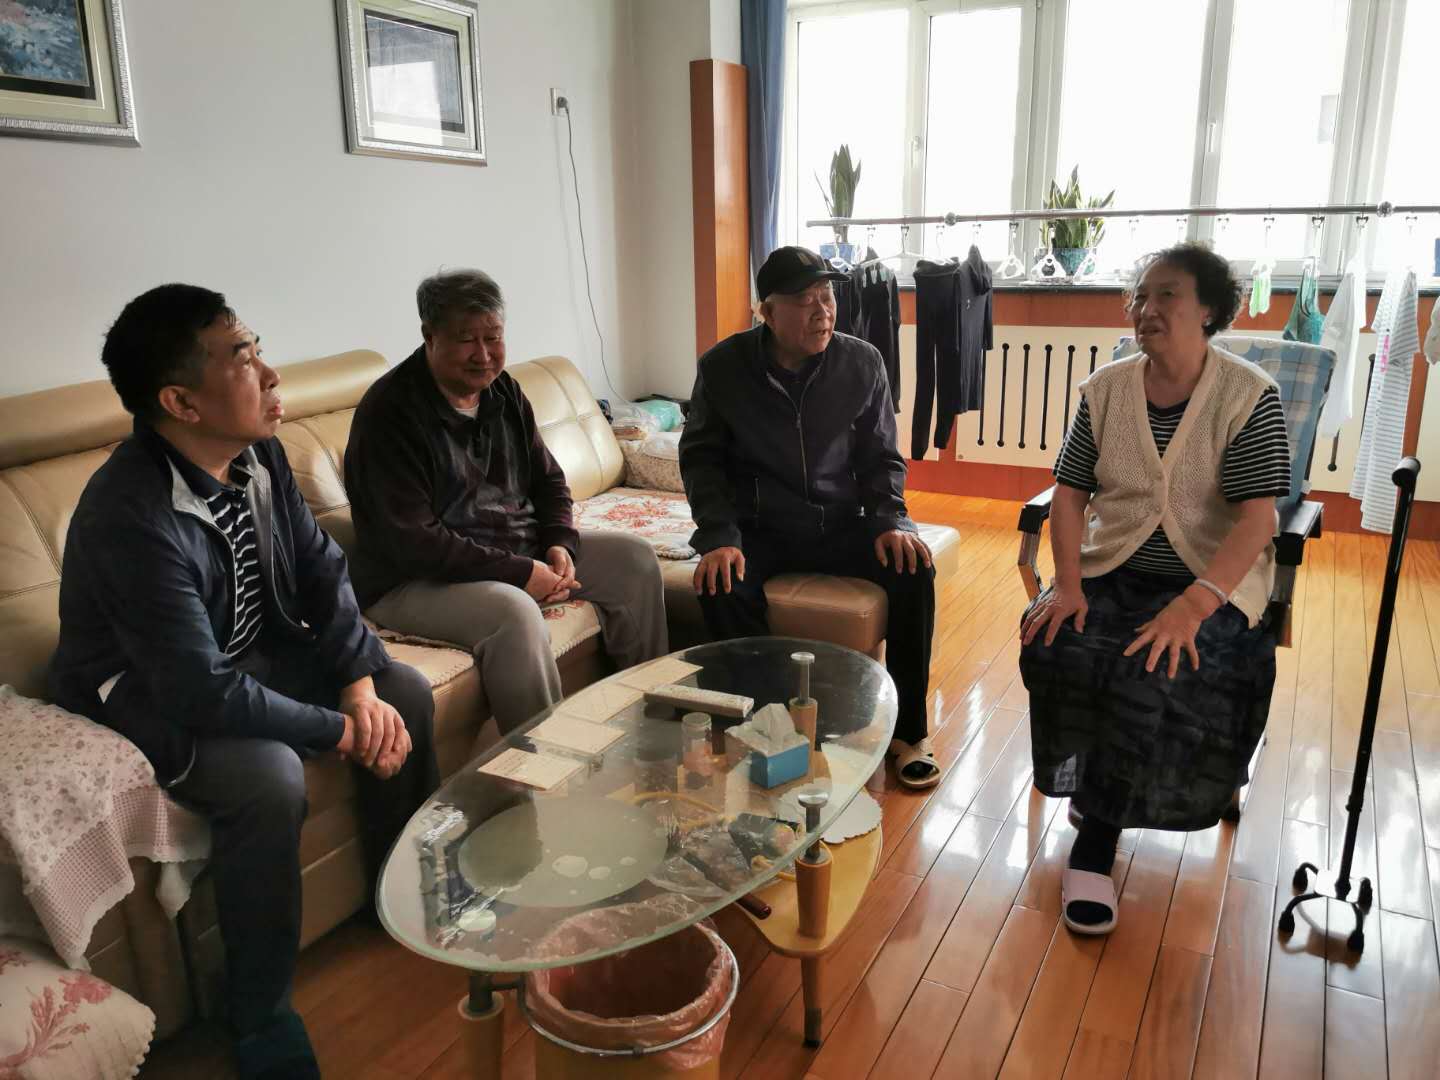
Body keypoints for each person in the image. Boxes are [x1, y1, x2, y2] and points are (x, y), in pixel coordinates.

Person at [50, 285, 438, 1080]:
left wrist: (359, 688)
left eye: (257, 348)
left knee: (403, 690)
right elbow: (198, 689)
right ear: (180, 402)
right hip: (146, 691)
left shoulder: (259, 455)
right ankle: (260, 1013)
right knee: (268, 776)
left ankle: (401, 895)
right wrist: (338, 729)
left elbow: (322, 572)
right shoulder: (130, 514)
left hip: (250, 653)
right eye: (242, 357)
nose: (269, 372)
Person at [1019, 243, 1291, 936]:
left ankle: (1096, 840)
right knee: (1056, 643)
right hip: (1113, 568)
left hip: (1211, 582)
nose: (1146, 308)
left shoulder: (1247, 395)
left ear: (1209, 310)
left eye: (1166, 294)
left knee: (1154, 666)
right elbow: (1069, 494)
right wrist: (1068, 585)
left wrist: (1193, 605)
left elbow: (1258, 519)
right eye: (1140, 296)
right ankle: (1097, 786)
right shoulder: (1106, 390)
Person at [344, 269, 667, 732]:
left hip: (510, 554)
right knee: (514, 614)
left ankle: (650, 724)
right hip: (413, 580)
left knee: (634, 560)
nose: (483, 354)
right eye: (466, 340)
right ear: (429, 336)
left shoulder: (504, 391)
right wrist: (519, 573)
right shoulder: (390, 413)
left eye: (493, 337)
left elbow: (549, 480)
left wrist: (558, 543)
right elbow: (413, 541)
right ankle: (542, 763)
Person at [678, 245, 941, 788]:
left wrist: (892, 519)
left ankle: (908, 733)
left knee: (914, 566)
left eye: (827, 297)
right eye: (805, 301)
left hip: (840, 522)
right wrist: (720, 535)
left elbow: (882, 456)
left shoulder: (861, 362)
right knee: (718, 582)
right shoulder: (723, 368)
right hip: (761, 528)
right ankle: (771, 727)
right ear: (767, 312)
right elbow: (702, 459)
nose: (822, 311)